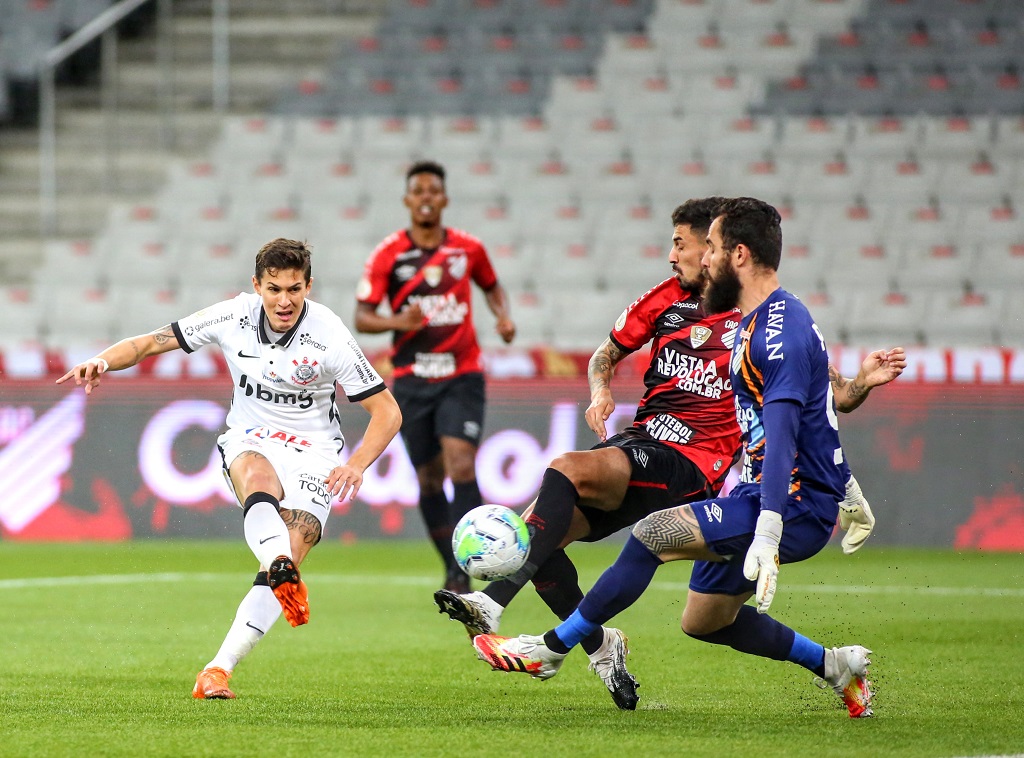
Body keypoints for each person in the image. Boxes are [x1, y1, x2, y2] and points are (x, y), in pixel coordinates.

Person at [435, 197, 905, 710]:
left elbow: (791, 431)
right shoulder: (753, 319)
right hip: (733, 478)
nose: (694, 259)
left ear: (733, 254)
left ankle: (546, 645)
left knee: (639, 525)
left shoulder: (776, 333)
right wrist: (848, 477)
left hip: (765, 495)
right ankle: (835, 665)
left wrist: (774, 528)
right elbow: (817, 412)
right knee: (702, 620)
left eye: (703, 248)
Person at [57, 238, 402, 700]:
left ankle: (217, 669)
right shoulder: (231, 316)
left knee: (292, 552)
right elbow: (147, 343)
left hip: (316, 452)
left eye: (295, 289)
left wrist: (357, 464)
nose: (284, 300)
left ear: (309, 287)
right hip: (250, 438)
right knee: (258, 482)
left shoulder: (331, 335)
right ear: (256, 285)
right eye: (274, 289)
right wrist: (103, 360)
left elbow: (388, 412)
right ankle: (277, 562)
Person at [354, 160, 516, 594]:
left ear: (444, 199)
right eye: (418, 191)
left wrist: (503, 316)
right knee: (428, 478)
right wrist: (399, 321)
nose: (426, 197)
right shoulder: (389, 254)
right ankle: (454, 567)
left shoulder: (468, 249)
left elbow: (492, 286)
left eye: (433, 190)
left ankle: (486, 555)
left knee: (461, 462)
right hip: (411, 379)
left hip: (461, 374)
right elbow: (362, 318)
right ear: (407, 200)